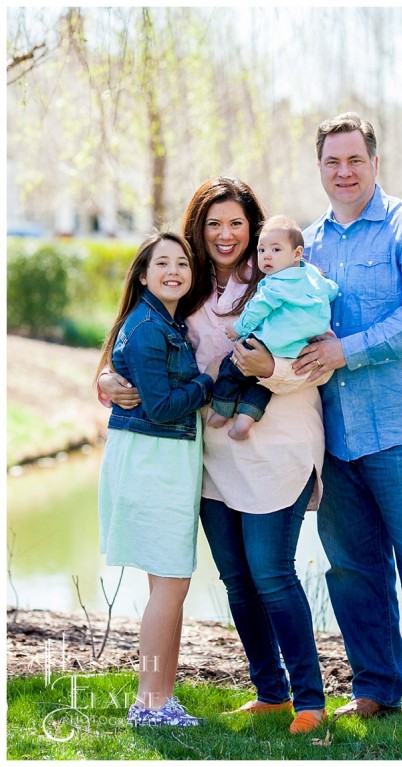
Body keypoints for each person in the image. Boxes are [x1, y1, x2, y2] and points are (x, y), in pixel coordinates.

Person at [98, 177, 329, 735]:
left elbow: (313, 361)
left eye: (236, 223)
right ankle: (269, 692)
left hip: (277, 445)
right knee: (236, 579)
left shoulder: (282, 279)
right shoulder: (187, 287)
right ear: (198, 231)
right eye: (213, 224)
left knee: (272, 573)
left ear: (254, 228)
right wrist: (106, 376)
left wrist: (263, 370)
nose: (226, 235)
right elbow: (137, 342)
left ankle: (310, 701)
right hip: (207, 456)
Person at [278, 112, 402, 730]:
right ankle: (377, 686)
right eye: (332, 162)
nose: (343, 171)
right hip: (334, 436)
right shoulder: (306, 246)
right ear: (319, 168)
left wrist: (347, 349)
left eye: (354, 160)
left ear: (374, 163)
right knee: (353, 568)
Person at [95, 232, 222, 727]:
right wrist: (208, 381)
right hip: (151, 463)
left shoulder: (162, 323)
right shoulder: (148, 327)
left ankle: (161, 699)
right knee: (170, 585)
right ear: (143, 274)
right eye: (162, 263)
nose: (174, 270)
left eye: (182, 263)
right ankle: (148, 705)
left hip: (166, 461)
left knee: (170, 586)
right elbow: (163, 405)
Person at [210, 215, 338, 440]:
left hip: (268, 341)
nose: (266, 256)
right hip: (295, 348)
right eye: (261, 250)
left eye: (276, 250)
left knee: (231, 369)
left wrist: (239, 328)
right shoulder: (311, 276)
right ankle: (244, 422)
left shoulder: (275, 284)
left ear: (297, 254)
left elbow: (257, 309)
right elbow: (332, 289)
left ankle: (221, 409)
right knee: (262, 385)